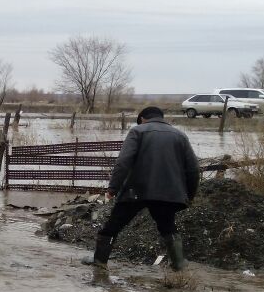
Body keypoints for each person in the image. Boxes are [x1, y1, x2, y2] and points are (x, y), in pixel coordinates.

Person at [85, 106, 199, 270]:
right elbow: (193, 169)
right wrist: (189, 195)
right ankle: (179, 264)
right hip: (167, 194)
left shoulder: (138, 131)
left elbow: (123, 162)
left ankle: (99, 261)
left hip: (136, 191)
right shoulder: (180, 135)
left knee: (114, 225)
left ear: (143, 119)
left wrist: (113, 188)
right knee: (168, 227)